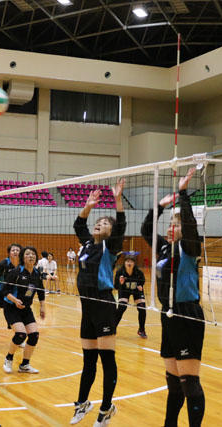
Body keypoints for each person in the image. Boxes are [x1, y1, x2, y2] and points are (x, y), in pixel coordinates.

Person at [141, 168, 206, 427]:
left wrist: (183, 193)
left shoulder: (189, 247)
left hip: (187, 313)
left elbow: (189, 225)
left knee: (189, 382)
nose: (171, 228)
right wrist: (159, 207)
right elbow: (146, 229)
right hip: (167, 315)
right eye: (170, 224)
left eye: (175, 225)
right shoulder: (164, 247)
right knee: (173, 383)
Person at [70, 178, 125, 427]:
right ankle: (82, 403)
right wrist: (88, 205)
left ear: (110, 232)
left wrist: (117, 200)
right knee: (88, 360)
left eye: (104, 223)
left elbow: (121, 226)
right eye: (98, 221)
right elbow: (78, 224)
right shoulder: (87, 244)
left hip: (103, 305)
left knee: (107, 360)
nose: (98, 224)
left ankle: (106, 408)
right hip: (87, 308)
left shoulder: (109, 247)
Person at [2, 246, 46, 374]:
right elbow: (5, 291)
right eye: (27, 254)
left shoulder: (37, 274)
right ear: (22, 257)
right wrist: (15, 300)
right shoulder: (16, 272)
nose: (31, 256)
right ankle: (8, 359)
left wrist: (42, 306)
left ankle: (25, 365)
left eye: (33, 254)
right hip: (11, 308)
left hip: (26, 309)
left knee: (34, 335)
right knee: (21, 334)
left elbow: (41, 291)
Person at [113, 254, 147, 338]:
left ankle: (141, 330)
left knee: (142, 308)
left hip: (136, 290)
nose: (129, 263)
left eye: (131, 261)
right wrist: (120, 283)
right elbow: (116, 286)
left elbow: (142, 281)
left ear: (134, 263)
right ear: (124, 263)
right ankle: (113, 327)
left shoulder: (138, 272)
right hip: (124, 289)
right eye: (127, 261)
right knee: (122, 307)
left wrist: (140, 285)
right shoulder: (120, 272)